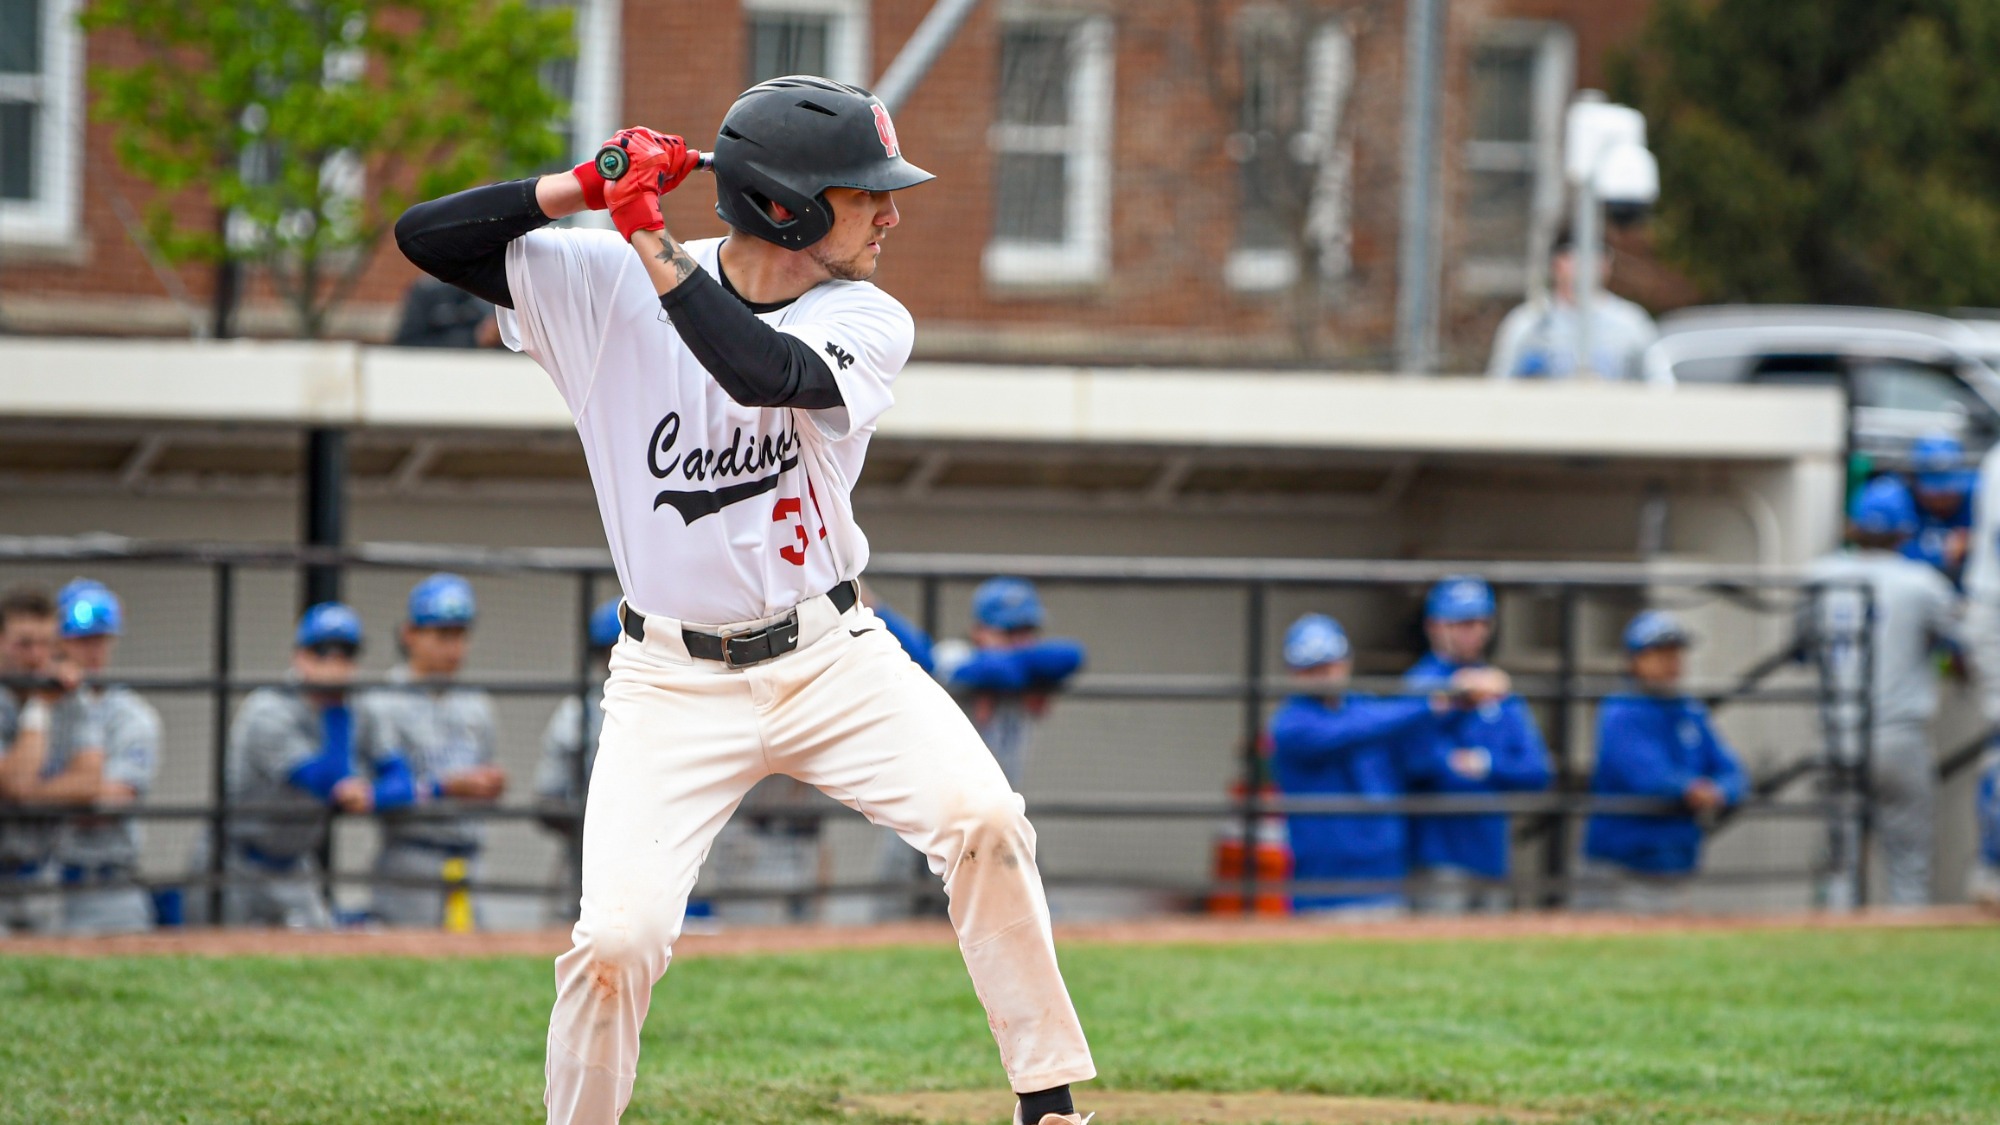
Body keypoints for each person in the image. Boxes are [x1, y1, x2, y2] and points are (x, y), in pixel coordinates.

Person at [396, 76, 1095, 1125]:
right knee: (615, 942)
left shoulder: (863, 313)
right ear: (788, 206)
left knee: (986, 820)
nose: (889, 214)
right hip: (669, 681)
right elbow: (426, 239)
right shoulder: (607, 280)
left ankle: (1049, 1107)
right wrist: (588, 184)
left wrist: (648, 236)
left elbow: (760, 368)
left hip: (832, 656)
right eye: (864, 195)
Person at [1269, 614, 1505, 916]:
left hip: (1386, 877)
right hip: (1325, 887)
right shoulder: (1291, 724)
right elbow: (1360, 729)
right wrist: (1441, 697)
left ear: (1346, 662)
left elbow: (1403, 728)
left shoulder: (1365, 706)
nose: (1325, 675)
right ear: (1293, 673)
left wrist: (1467, 700)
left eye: (1330, 665)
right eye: (1311, 669)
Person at [1808, 476, 1963, 909]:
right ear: (1904, 530)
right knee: (1908, 857)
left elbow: (1802, 648)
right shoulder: (1921, 581)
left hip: (1836, 731)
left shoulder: (1820, 574)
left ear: (1854, 526)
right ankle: (1907, 933)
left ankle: (1836, 933)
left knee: (1842, 858)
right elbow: (1963, 642)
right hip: (1898, 733)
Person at [214, 603, 414, 929]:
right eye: (322, 652)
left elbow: (401, 779)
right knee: (215, 950)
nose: (334, 664)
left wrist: (370, 795)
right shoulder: (268, 709)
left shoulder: (362, 706)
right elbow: (324, 780)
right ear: (299, 656)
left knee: (318, 944)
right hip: (235, 860)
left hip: (296, 863)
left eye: (345, 653)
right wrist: (336, 706)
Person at [362, 573, 507, 928]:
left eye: (460, 635)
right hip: (411, 855)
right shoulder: (381, 702)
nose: (454, 647)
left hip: (469, 858)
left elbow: (487, 771)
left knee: (476, 956)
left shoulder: (477, 704)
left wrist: (489, 785)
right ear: (410, 634)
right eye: (442, 635)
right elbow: (373, 793)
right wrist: (449, 786)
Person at [1402, 576, 1553, 913]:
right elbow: (1417, 761)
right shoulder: (1418, 684)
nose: (1474, 633)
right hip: (1438, 854)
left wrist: (1484, 763)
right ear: (1434, 626)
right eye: (1462, 623)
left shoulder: (1498, 688)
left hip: (1492, 853)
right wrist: (1458, 701)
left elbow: (1536, 771)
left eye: (1481, 623)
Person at [1580, 611, 1747, 914]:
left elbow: (1731, 771)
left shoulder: (1689, 711)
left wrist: (1720, 790)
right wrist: (1692, 789)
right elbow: (1646, 776)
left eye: (1675, 654)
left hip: (1676, 861)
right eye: (1660, 654)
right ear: (1635, 660)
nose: (1671, 663)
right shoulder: (1621, 710)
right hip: (1622, 864)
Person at [51, 580, 161, 934]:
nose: (93, 651)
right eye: (81, 640)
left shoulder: (133, 715)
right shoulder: (37, 707)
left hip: (111, 884)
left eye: (101, 639)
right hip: (46, 877)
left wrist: (43, 792)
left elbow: (110, 802)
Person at [0, 584, 105, 935]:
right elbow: (16, 782)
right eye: (24, 644)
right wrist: (39, 706)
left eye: (46, 644)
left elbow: (90, 783)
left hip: (43, 876)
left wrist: (28, 792)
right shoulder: (46, 696)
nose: (36, 656)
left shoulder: (71, 696)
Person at [932, 578, 1087, 789]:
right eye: (1010, 631)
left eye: (1027, 631)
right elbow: (995, 670)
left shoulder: (1031, 670)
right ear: (979, 631)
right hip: (941, 797)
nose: (1022, 642)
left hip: (997, 797)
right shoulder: (955, 654)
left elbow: (1071, 655)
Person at [536, 598, 619, 926]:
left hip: (658, 854)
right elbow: (547, 802)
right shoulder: (576, 714)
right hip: (585, 858)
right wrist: (601, 815)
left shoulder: (673, 709)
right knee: (564, 935)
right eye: (612, 649)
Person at [1487, 232, 1660, 383]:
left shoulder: (1630, 322)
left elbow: (1659, 383)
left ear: (1607, 264)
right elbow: (1499, 384)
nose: (1586, 264)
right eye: (1575, 254)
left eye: (1597, 254)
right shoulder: (1528, 323)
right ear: (1556, 262)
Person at [1901, 432, 1977, 585]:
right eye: (1935, 493)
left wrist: (1978, 542)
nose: (1942, 499)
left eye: (1948, 492)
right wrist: (1943, 555)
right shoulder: (1900, 500)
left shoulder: (1978, 497)